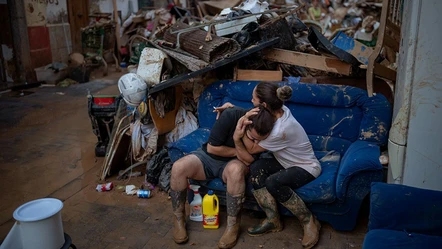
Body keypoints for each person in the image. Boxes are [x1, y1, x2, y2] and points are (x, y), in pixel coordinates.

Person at [215, 82, 322, 249]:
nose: (251, 100)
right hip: (285, 161)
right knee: (257, 169)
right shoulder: (279, 109)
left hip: (306, 166)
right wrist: (231, 109)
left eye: (253, 98)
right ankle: (273, 220)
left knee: (273, 182)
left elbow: (250, 149)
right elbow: (253, 114)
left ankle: (309, 220)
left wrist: (239, 132)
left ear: (263, 104)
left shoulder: (280, 129)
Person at [170, 105, 274, 249]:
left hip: (233, 164)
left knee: (236, 170)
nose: (256, 144)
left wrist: (240, 147)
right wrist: (239, 151)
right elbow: (213, 148)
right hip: (208, 157)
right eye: (253, 138)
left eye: (260, 141)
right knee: (178, 167)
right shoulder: (231, 115)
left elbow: (249, 160)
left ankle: (233, 226)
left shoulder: (269, 128)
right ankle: (178, 219)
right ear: (245, 124)